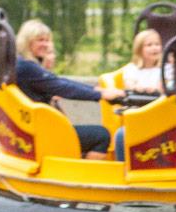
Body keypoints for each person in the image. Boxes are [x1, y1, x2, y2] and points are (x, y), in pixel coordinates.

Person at [13, 18, 124, 157]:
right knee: (101, 135)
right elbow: (63, 87)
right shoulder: (27, 67)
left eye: (47, 40)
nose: (46, 44)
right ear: (27, 42)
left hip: (34, 128)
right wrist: (100, 95)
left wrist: (98, 90)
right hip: (41, 133)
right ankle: (84, 176)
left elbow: (60, 82)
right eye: (40, 40)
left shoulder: (22, 63)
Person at [116, 28, 164, 94]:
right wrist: (135, 87)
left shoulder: (165, 68)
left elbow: (164, 87)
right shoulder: (132, 68)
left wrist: (157, 89)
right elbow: (129, 85)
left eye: (157, 44)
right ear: (139, 49)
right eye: (149, 45)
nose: (154, 48)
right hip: (138, 101)